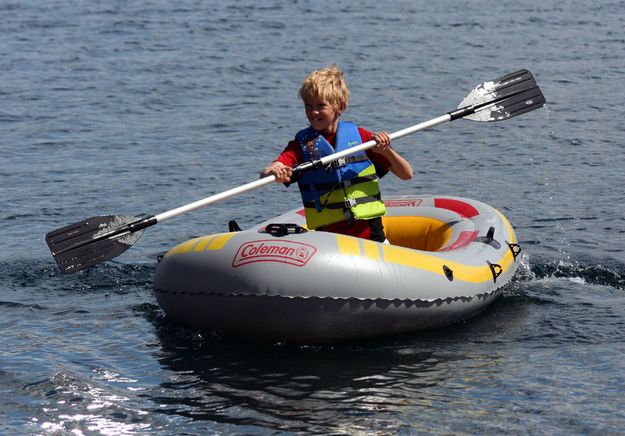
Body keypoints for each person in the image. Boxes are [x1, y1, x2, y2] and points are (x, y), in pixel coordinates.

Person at [260, 64, 413, 242]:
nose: (313, 112)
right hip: (329, 244)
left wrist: (387, 151)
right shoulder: (301, 145)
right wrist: (274, 170)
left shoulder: (361, 138)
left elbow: (406, 174)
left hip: (371, 239)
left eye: (320, 106)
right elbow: (267, 173)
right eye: (308, 106)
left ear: (339, 107)